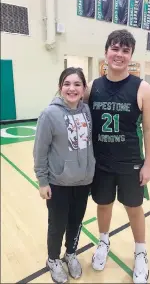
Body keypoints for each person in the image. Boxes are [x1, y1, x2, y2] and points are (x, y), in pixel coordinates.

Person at [84, 29, 150, 283]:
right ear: (106, 52)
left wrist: (148, 165)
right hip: (100, 162)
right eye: (115, 49)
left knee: (134, 208)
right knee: (103, 205)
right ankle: (104, 242)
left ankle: (140, 252)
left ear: (130, 56)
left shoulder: (142, 88)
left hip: (130, 163)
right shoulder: (92, 87)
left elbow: (149, 129)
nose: (119, 55)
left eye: (125, 51)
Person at [33, 67, 95, 283]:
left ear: (84, 88)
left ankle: (70, 254)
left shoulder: (86, 111)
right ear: (60, 87)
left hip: (83, 181)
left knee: (76, 223)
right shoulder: (49, 114)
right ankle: (53, 259)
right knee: (57, 224)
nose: (72, 88)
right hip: (58, 182)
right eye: (67, 84)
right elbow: (40, 151)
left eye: (77, 84)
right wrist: (43, 181)